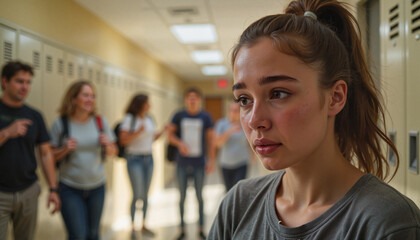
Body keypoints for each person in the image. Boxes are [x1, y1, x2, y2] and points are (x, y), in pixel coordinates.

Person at [208, 0, 420, 239]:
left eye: (278, 93)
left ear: (335, 97)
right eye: (244, 99)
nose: (255, 120)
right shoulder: (239, 204)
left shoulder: (385, 221)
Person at [0, 61, 60, 240]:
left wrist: (53, 189)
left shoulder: (35, 115)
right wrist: (7, 132)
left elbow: (46, 153)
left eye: (28, 82)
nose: (25, 87)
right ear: (5, 82)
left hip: (28, 191)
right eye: (19, 81)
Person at [50, 80, 117, 240]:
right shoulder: (61, 123)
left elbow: (113, 151)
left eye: (93, 96)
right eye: (85, 95)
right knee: (77, 235)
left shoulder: (100, 122)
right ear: (73, 98)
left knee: (93, 234)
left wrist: (107, 144)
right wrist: (64, 148)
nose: (90, 100)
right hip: (70, 188)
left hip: (97, 187)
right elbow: (49, 157)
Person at [168, 87, 215, 240]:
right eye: (190, 97)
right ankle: (182, 229)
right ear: (186, 100)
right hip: (181, 163)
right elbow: (170, 136)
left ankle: (201, 228)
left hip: (199, 163)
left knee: (199, 197)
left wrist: (211, 161)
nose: (192, 100)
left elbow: (210, 140)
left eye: (195, 97)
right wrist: (180, 144)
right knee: (181, 197)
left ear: (200, 100)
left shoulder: (205, 117)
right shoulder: (179, 115)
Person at [118, 93, 167, 239]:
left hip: (149, 158)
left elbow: (150, 138)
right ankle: (133, 226)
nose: (149, 105)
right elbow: (123, 141)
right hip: (134, 159)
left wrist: (162, 132)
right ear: (139, 104)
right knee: (137, 194)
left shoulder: (149, 118)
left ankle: (144, 224)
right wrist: (137, 132)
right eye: (147, 103)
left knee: (146, 195)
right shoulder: (129, 119)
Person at [214, 101, 251, 191]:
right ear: (228, 111)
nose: (234, 113)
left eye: (237, 110)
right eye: (232, 110)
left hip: (242, 162)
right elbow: (217, 143)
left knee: (239, 190)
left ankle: (240, 205)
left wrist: (253, 155)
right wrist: (230, 131)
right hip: (225, 163)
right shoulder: (221, 124)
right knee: (229, 191)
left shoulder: (245, 124)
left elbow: (249, 141)